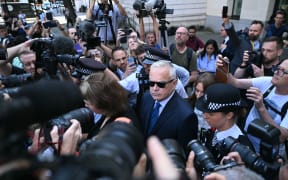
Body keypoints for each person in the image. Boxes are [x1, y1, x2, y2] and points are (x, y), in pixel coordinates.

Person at [217, 57, 288, 157]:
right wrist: (225, 70)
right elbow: (235, 83)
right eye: (277, 68)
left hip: (266, 154)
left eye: (282, 71)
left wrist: (261, 108)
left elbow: (281, 137)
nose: (276, 72)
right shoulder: (268, 82)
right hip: (247, 141)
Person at [137, 60, 198, 149]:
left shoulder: (186, 116)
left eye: (160, 84)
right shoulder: (146, 98)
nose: (155, 88)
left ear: (174, 83)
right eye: (151, 83)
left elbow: (184, 153)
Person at [80, 70, 140, 139]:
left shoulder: (121, 125)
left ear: (101, 102)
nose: (86, 106)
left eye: (88, 103)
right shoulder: (108, 112)